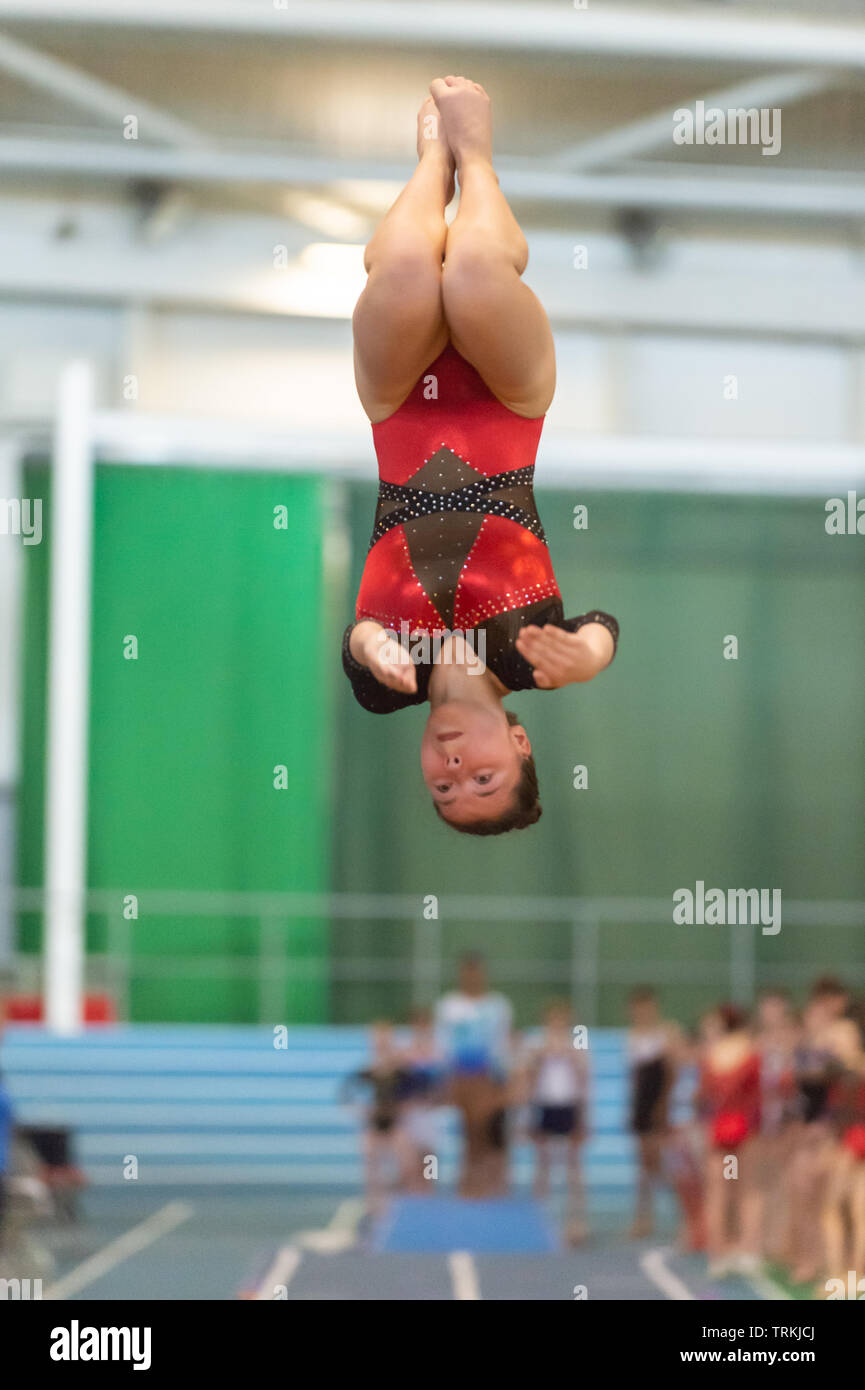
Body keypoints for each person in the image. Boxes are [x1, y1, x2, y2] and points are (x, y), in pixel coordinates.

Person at [342, 76, 619, 835]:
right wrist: (587, 657)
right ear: (520, 742)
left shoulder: (385, 688)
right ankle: (479, 160)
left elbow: (356, 642)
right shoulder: (531, 663)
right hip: (508, 403)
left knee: (400, 270)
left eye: (443, 790)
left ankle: (434, 162)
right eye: (484, 778)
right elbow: (601, 626)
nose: (453, 770)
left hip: (397, 408)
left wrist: (374, 646)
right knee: (469, 273)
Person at [435, 953, 513, 1197]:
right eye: (467, 973)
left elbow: (502, 1044)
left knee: (485, 1132)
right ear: (461, 975)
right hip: (460, 1077)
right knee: (467, 1131)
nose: (472, 978)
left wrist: (502, 1082)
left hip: (486, 1078)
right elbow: (443, 1045)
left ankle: (488, 1182)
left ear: (482, 975)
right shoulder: (449, 1005)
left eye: (476, 973)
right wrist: (446, 1080)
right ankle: (466, 1182)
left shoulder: (497, 1005)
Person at [696, 1004, 762, 1278]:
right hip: (744, 1127)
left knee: (718, 1192)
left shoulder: (712, 1054)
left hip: (721, 1127)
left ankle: (718, 1253)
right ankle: (747, 1249)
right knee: (746, 1191)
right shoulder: (751, 1050)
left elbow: (703, 1096)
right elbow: (758, 1093)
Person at [522, 1001, 589, 1243]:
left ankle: (577, 1222)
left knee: (573, 1166)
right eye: (553, 1021)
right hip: (546, 1106)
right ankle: (536, 1221)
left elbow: (583, 1082)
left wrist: (583, 1117)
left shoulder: (576, 1047)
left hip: (568, 1106)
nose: (557, 1026)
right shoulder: (538, 1048)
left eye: (562, 1022)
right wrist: (529, 1115)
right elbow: (529, 1081)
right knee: (543, 1164)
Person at [626, 987, 682, 1238]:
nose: (642, 1013)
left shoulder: (666, 1034)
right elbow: (634, 1078)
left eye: (646, 1008)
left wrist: (663, 1105)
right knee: (644, 1166)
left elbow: (671, 1074)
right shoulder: (632, 1037)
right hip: (641, 1104)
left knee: (660, 1164)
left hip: (658, 1103)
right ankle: (643, 1218)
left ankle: (686, 1212)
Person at [341, 1021, 411, 1215]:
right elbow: (347, 1094)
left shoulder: (400, 1069)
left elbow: (413, 1091)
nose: (381, 1043)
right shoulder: (368, 1070)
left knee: (406, 1165)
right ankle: (374, 1204)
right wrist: (360, 1110)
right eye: (377, 1040)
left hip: (395, 1124)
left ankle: (395, 1201)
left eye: (384, 1039)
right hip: (373, 1124)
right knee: (371, 1164)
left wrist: (403, 1107)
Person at [396, 1009, 445, 1192]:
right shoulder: (404, 1051)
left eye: (425, 1025)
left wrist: (437, 1099)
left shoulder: (438, 1050)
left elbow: (442, 1081)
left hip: (430, 1110)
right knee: (411, 1154)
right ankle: (412, 1188)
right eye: (418, 1025)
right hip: (410, 1110)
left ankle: (430, 1186)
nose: (421, 1029)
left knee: (430, 1153)